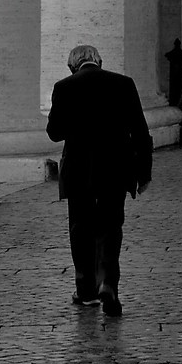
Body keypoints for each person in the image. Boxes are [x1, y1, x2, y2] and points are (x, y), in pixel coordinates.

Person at [46, 42, 154, 316]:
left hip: (79, 170)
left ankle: (86, 291)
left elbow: (55, 132)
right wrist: (144, 173)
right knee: (110, 228)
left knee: (80, 229)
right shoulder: (124, 84)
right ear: (99, 61)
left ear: (72, 66)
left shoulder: (64, 87)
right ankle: (108, 283)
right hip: (116, 169)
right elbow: (141, 132)